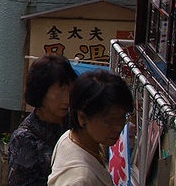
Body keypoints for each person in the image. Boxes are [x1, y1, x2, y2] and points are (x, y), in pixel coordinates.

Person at [48, 70, 133, 186]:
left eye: (122, 117)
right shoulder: (80, 180)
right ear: (82, 117)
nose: (118, 127)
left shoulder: (71, 138)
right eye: (109, 121)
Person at [8, 54, 77, 186]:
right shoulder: (24, 139)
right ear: (42, 92)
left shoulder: (74, 121)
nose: (67, 99)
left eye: (70, 90)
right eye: (60, 91)